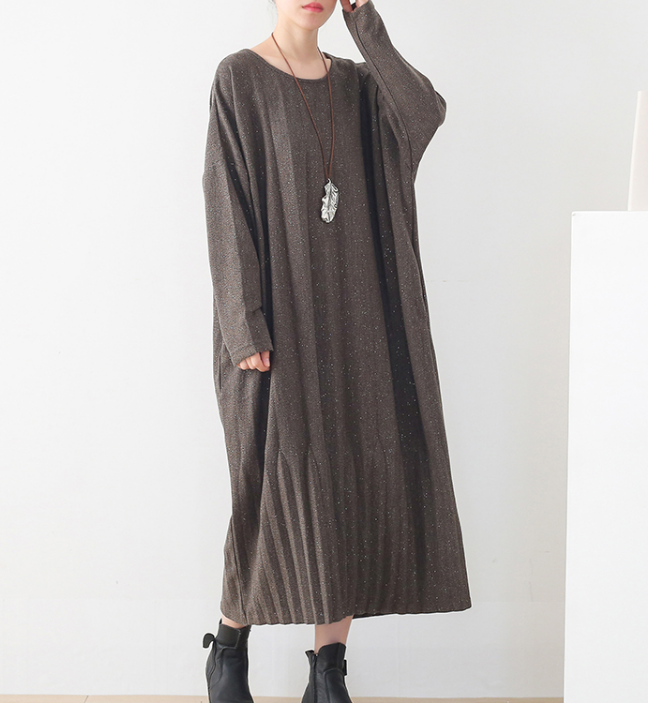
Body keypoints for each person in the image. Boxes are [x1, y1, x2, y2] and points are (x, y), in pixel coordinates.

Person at [201, 1, 472, 702]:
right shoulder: (239, 79)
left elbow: (424, 113)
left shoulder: (358, 85)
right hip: (275, 328)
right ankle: (228, 644)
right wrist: (243, 325)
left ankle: (328, 671)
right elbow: (225, 201)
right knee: (271, 495)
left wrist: (365, 23)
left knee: (348, 492)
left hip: (360, 325)